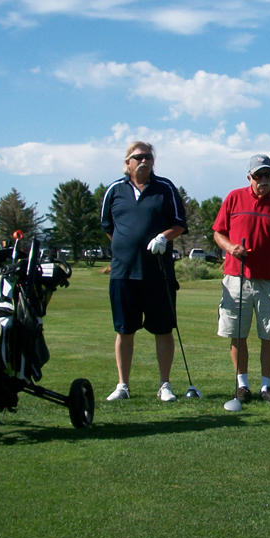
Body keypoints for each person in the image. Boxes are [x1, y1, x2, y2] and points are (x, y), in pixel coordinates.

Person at [100, 141, 188, 402]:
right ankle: (123, 385)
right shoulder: (115, 190)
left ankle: (165, 385)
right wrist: (126, 245)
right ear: (128, 162)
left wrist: (163, 237)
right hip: (123, 273)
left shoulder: (165, 188)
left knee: (163, 329)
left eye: (148, 157)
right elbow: (108, 227)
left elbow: (180, 223)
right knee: (124, 330)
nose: (144, 161)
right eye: (138, 157)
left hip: (157, 274)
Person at [213, 155, 270, 404]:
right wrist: (230, 248)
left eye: (268, 175)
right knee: (237, 334)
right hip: (236, 278)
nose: (263, 180)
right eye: (258, 175)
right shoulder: (234, 198)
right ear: (249, 177)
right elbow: (218, 233)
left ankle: (266, 387)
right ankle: (242, 385)